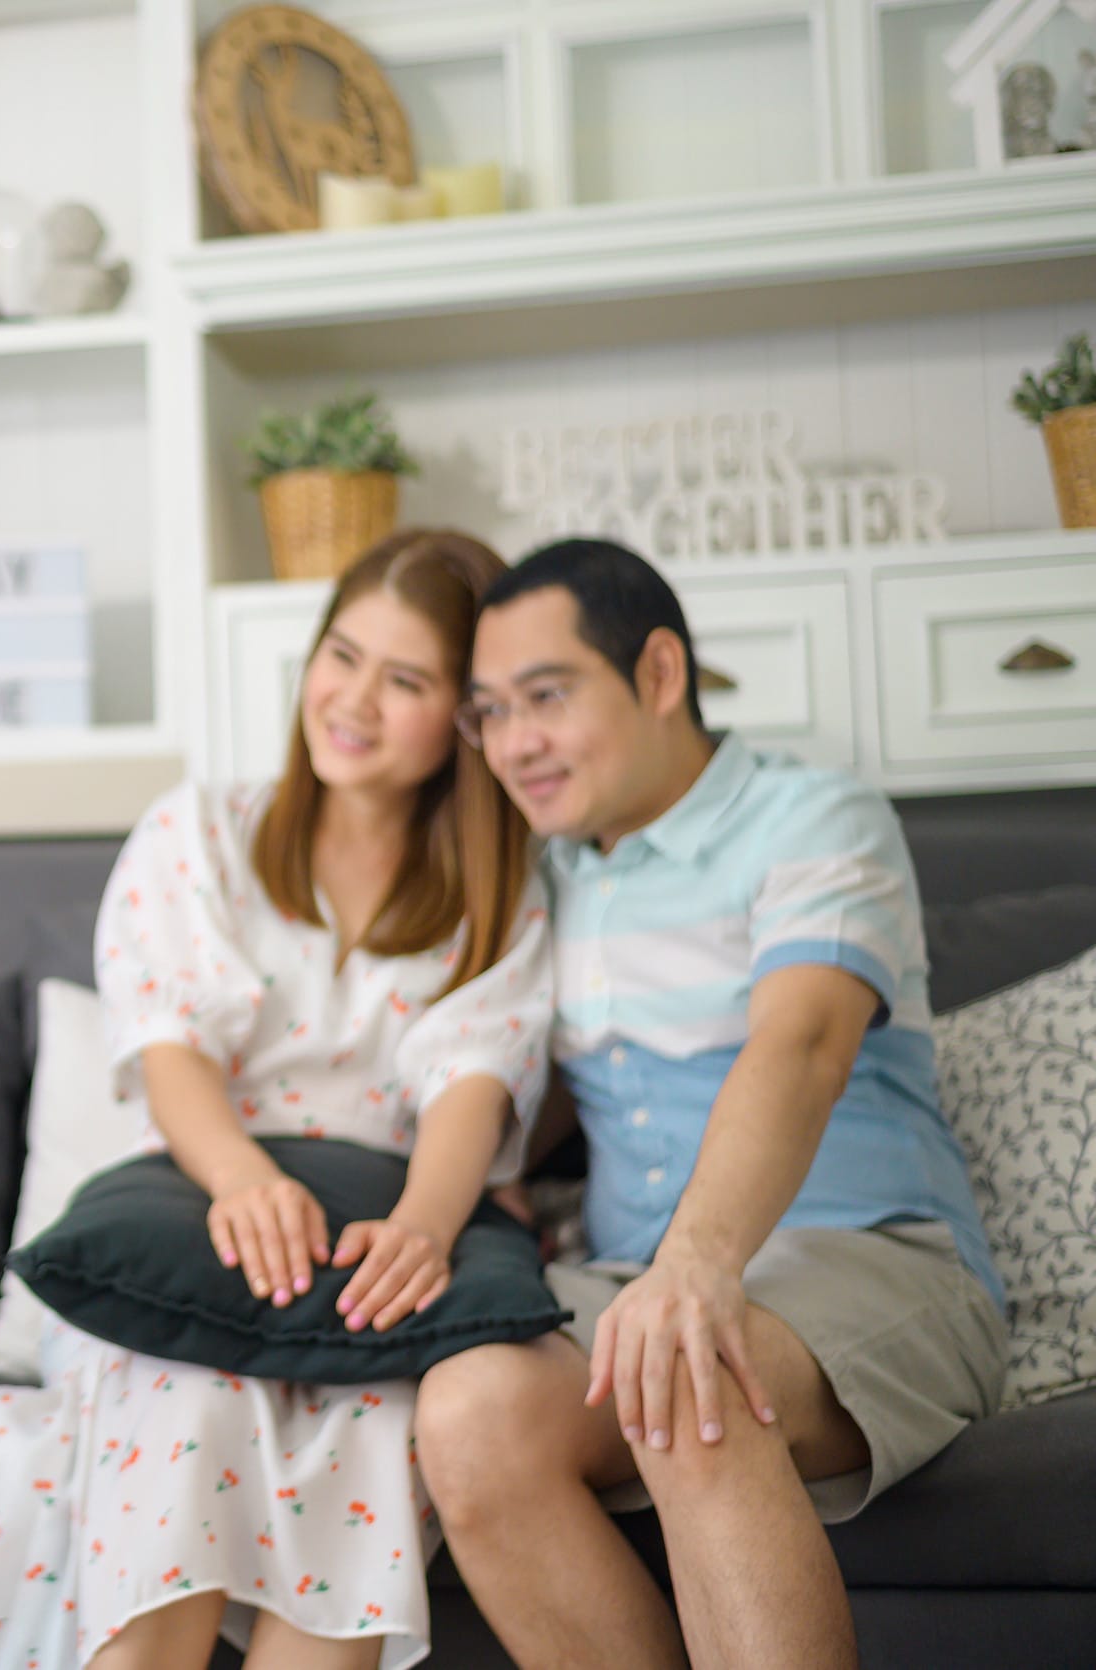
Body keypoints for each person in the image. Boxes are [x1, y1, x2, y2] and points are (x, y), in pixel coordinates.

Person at [0, 530, 552, 1670]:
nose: (352, 699)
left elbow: (472, 1082)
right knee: (186, 1404)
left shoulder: (499, 892)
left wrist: (422, 1230)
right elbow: (171, 1046)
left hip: (370, 1253)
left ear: (462, 715)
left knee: (367, 1425)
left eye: (404, 681)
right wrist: (245, 1176)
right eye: (340, 656)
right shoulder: (202, 829)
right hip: (200, 1214)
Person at [421, 537, 1005, 1670]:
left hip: (877, 1258)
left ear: (658, 674)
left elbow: (803, 1043)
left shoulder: (818, 817)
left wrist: (695, 1267)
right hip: (631, 1285)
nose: (515, 743)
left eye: (547, 696)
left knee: (691, 1370)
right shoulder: (547, 877)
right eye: (488, 712)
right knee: (465, 1412)